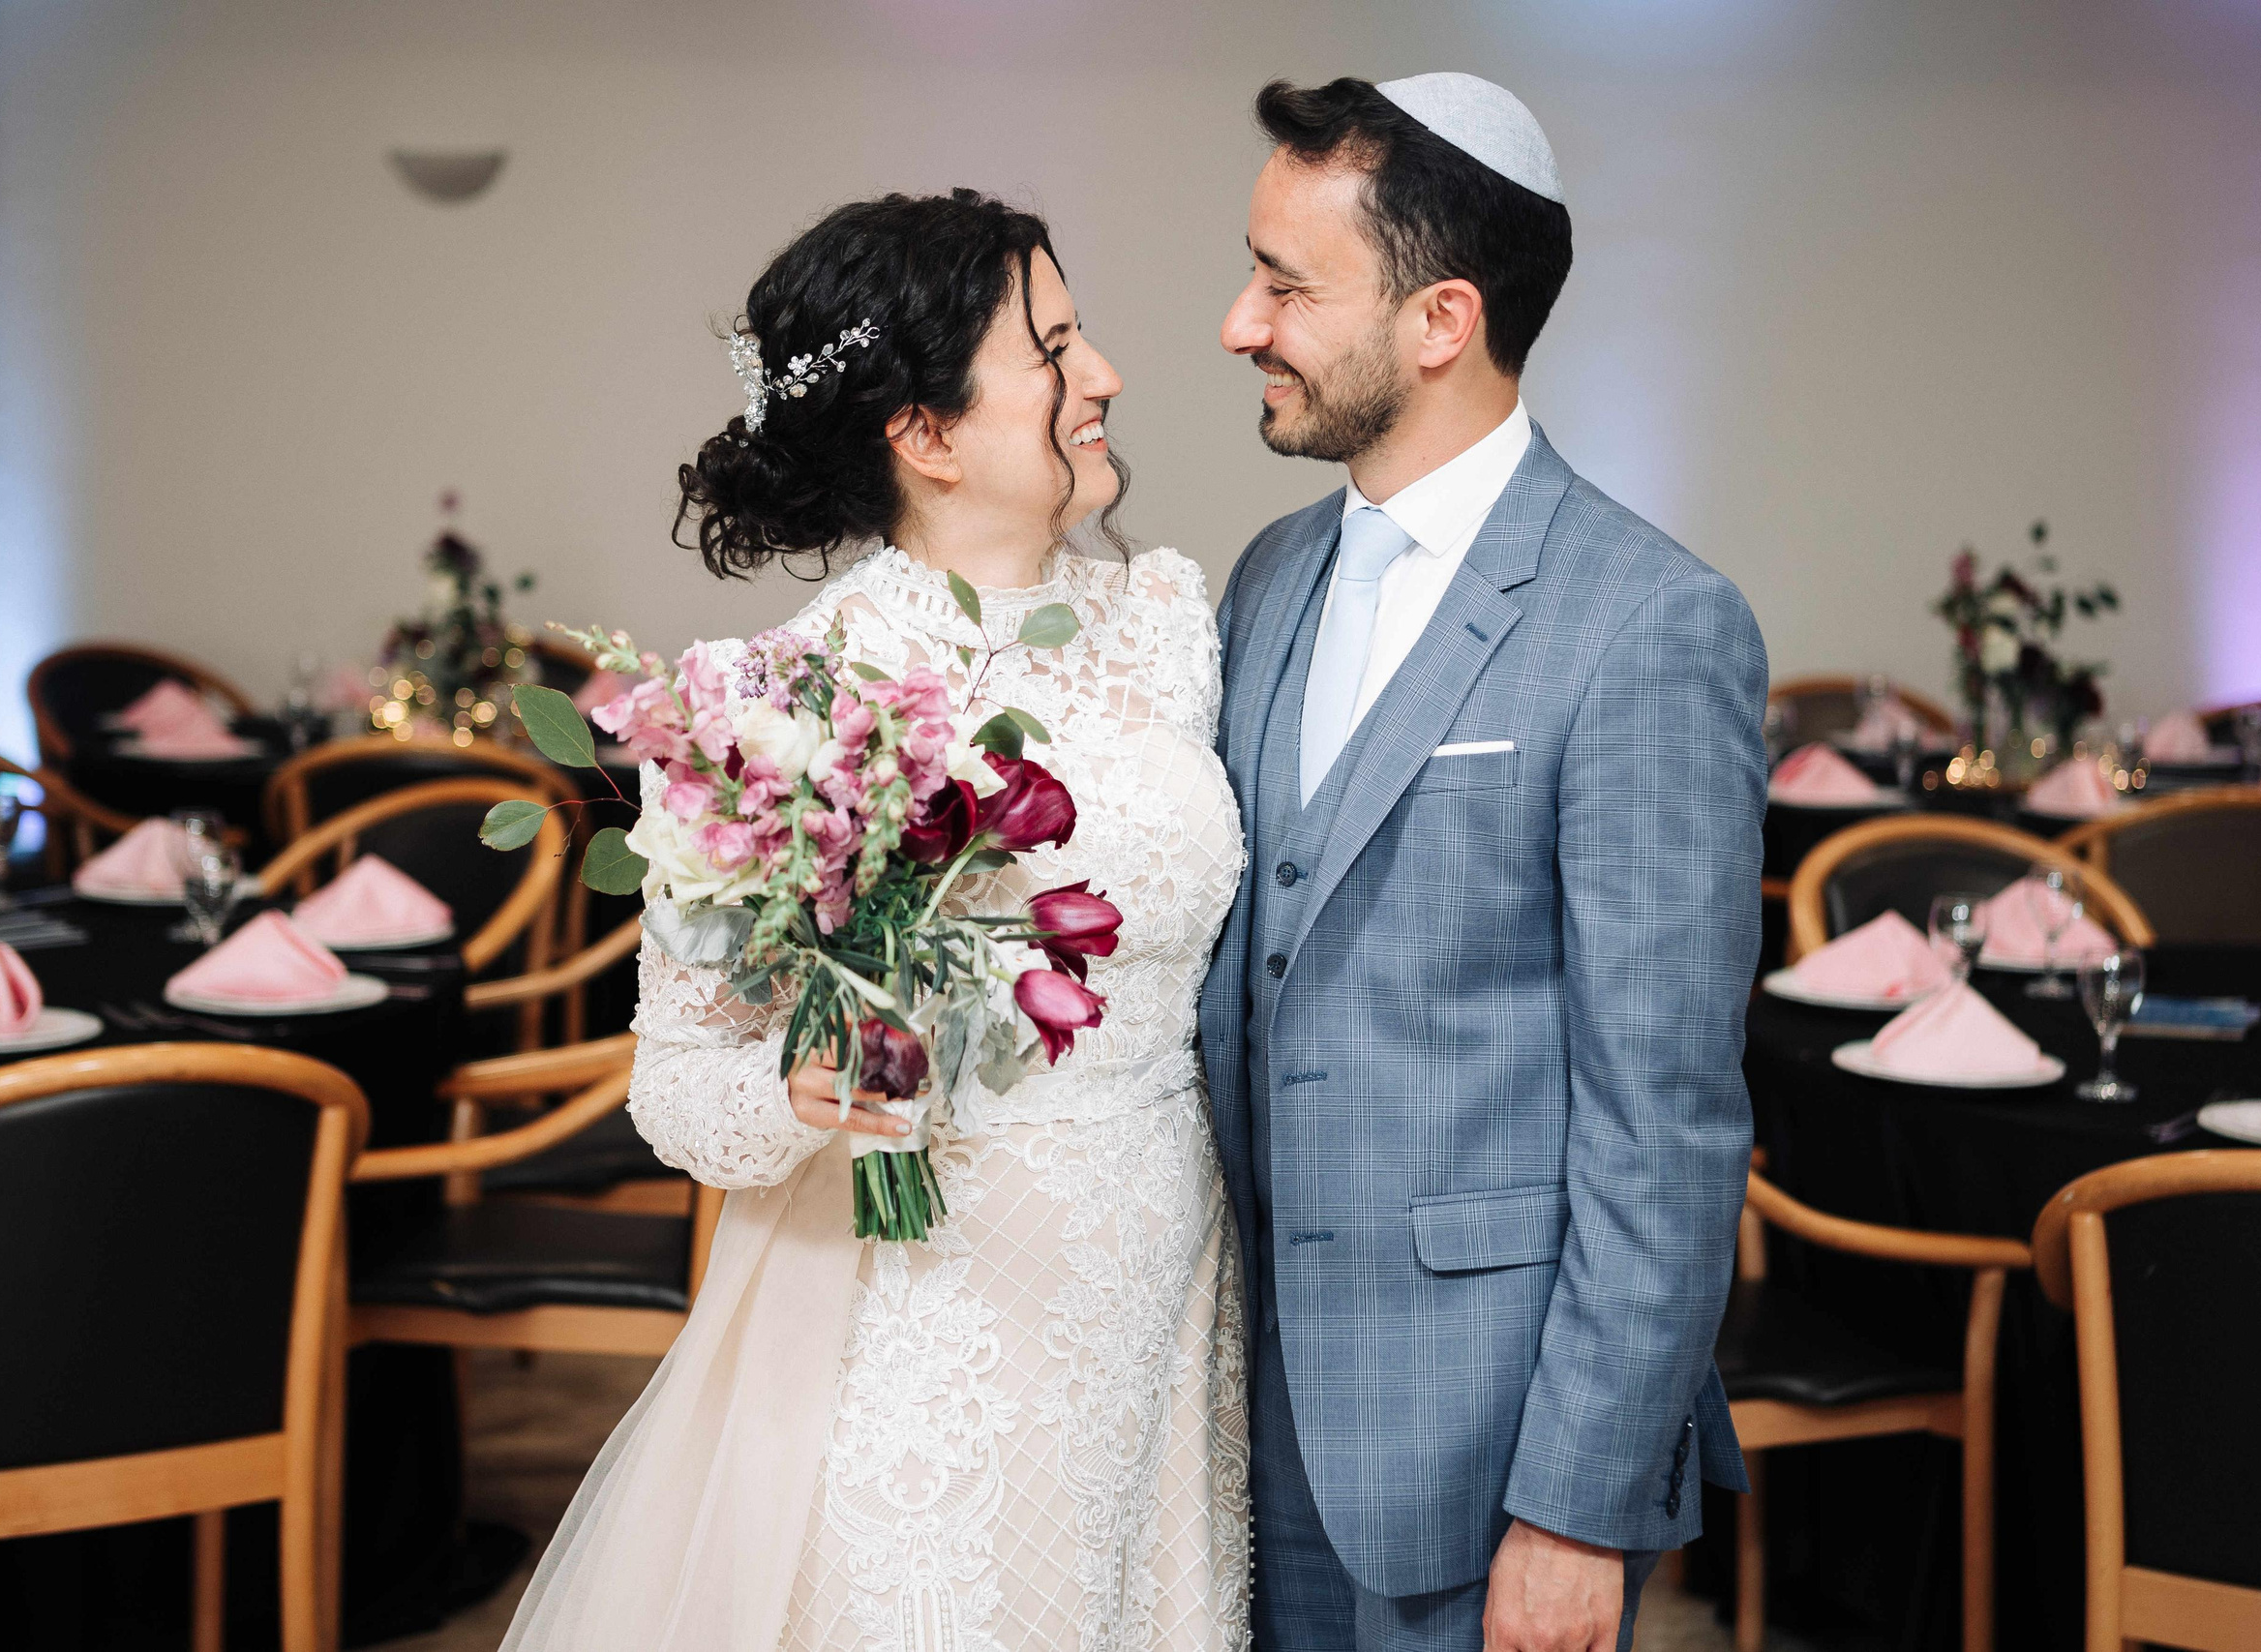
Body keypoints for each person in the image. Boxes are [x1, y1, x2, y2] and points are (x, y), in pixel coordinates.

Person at [501, 189, 1250, 1651]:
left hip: (1166, 1275)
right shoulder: (784, 703)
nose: (1102, 375)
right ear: (927, 431)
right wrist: (804, 1086)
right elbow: (678, 1096)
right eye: (1054, 347)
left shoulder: (1166, 621)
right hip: (935, 1306)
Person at [1203, 75, 1767, 1652]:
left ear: (1442, 317)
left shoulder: (1650, 625)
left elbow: (1667, 1124)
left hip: (1490, 1454)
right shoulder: (1270, 576)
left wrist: (1579, 1506)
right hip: (1252, 1420)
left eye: (1287, 285)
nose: (1240, 322)